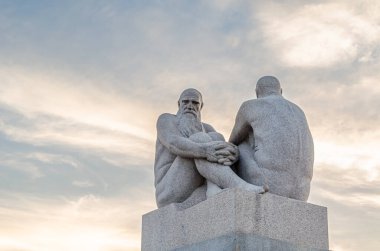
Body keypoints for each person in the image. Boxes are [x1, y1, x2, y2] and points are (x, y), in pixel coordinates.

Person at [154, 88, 265, 208]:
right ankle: (237, 185)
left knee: (216, 136)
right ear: (179, 104)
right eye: (185, 102)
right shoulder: (167, 120)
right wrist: (206, 150)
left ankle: (213, 187)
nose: (190, 106)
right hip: (169, 189)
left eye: (195, 103)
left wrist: (233, 154)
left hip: (197, 188)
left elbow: (223, 149)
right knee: (199, 138)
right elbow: (173, 143)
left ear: (201, 106)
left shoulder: (207, 128)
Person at [229, 76, 314, 201]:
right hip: (302, 193)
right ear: (281, 91)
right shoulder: (299, 111)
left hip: (268, 187)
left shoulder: (250, 106)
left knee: (240, 145)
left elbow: (232, 141)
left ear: (257, 92)